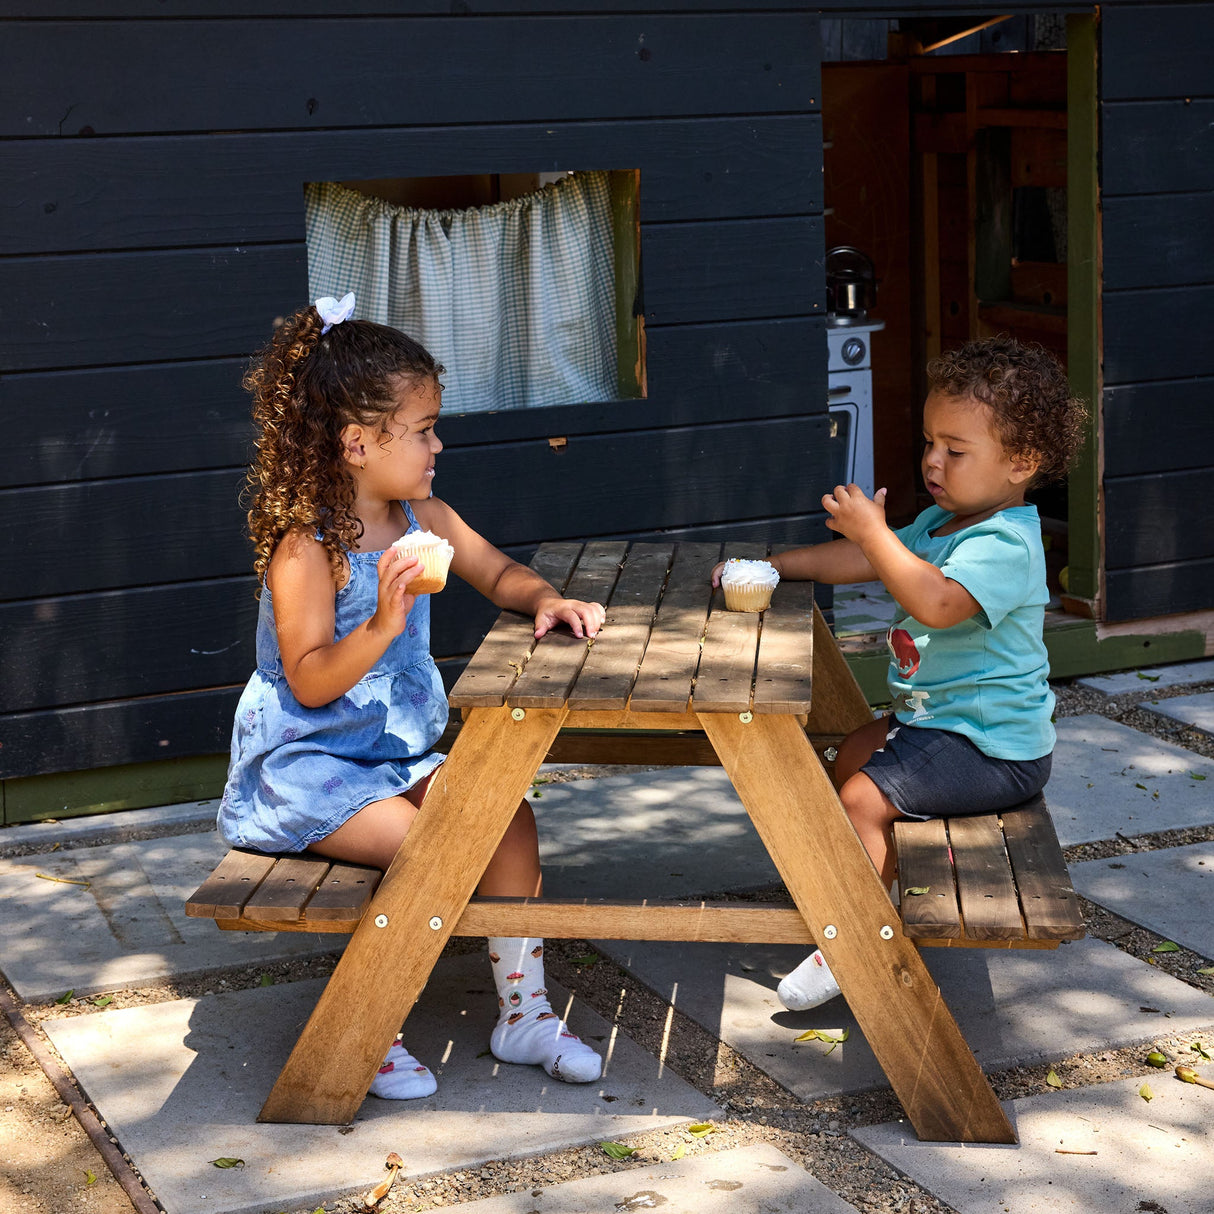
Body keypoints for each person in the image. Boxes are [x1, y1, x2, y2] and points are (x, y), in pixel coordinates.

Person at [217, 292, 607, 1098]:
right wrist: (387, 620)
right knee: (425, 846)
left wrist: (542, 600)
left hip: (391, 755)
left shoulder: (421, 516)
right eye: (423, 429)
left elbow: (496, 569)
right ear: (358, 443)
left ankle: (523, 1013)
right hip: (308, 765)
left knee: (507, 815)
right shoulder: (308, 549)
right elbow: (310, 676)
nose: (437, 445)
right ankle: (373, 1019)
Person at [712, 336, 1086, 1012]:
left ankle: (853, 942)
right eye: (929, 442)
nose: (933, 461)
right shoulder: (945, 521)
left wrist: (877, 532)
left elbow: (935, 603)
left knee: (861, 797)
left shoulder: (1004, 543)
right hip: (935, 723)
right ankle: (856, 886)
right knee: (848, 753)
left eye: (956, 449)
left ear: (1021, 463)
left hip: (993, 748)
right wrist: (773, 565)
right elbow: (856, 562)